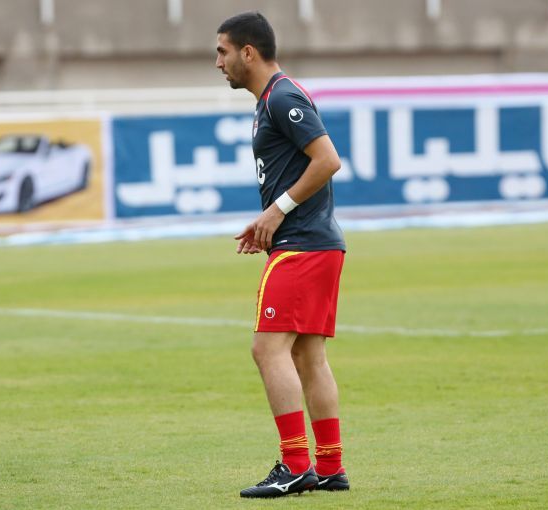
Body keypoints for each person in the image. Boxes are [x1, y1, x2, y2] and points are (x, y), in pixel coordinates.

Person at [215, 11, 350, 499]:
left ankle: (294, 465)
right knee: (307, 356)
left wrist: (276, 212)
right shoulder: (270, 100)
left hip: (303, 246)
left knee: (267, 349)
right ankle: (329, 466)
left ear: (248, 52)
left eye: (223, 52)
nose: (218, 62)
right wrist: (268, 220)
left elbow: (328, 160)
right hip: (315, 243)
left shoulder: (282, 97)